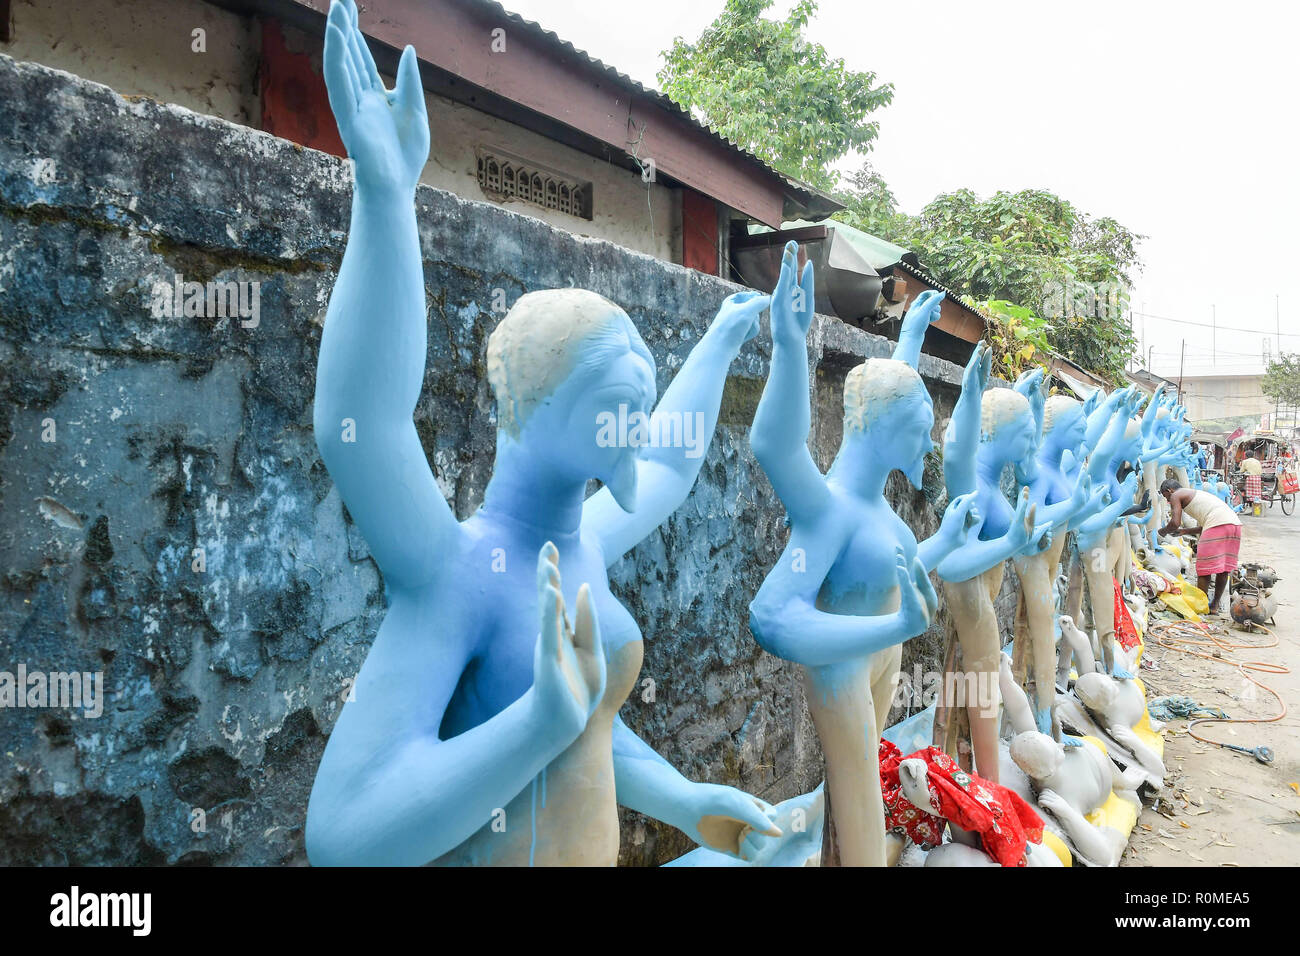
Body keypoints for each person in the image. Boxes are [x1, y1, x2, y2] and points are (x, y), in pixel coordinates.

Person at [1157, 479, 1242, 615]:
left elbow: (1175, 523)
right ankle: (1214, 606)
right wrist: (1185, 532)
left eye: (1166, 497)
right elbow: (1207, 524)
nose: (1168, 501)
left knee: (1204, 569)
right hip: (1234, 525)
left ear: (1169, 491)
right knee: (1223, 568)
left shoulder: (1175, 495)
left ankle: (1200, 606)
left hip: (1217, 525)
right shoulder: (1195, 494)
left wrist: (1161, 532)